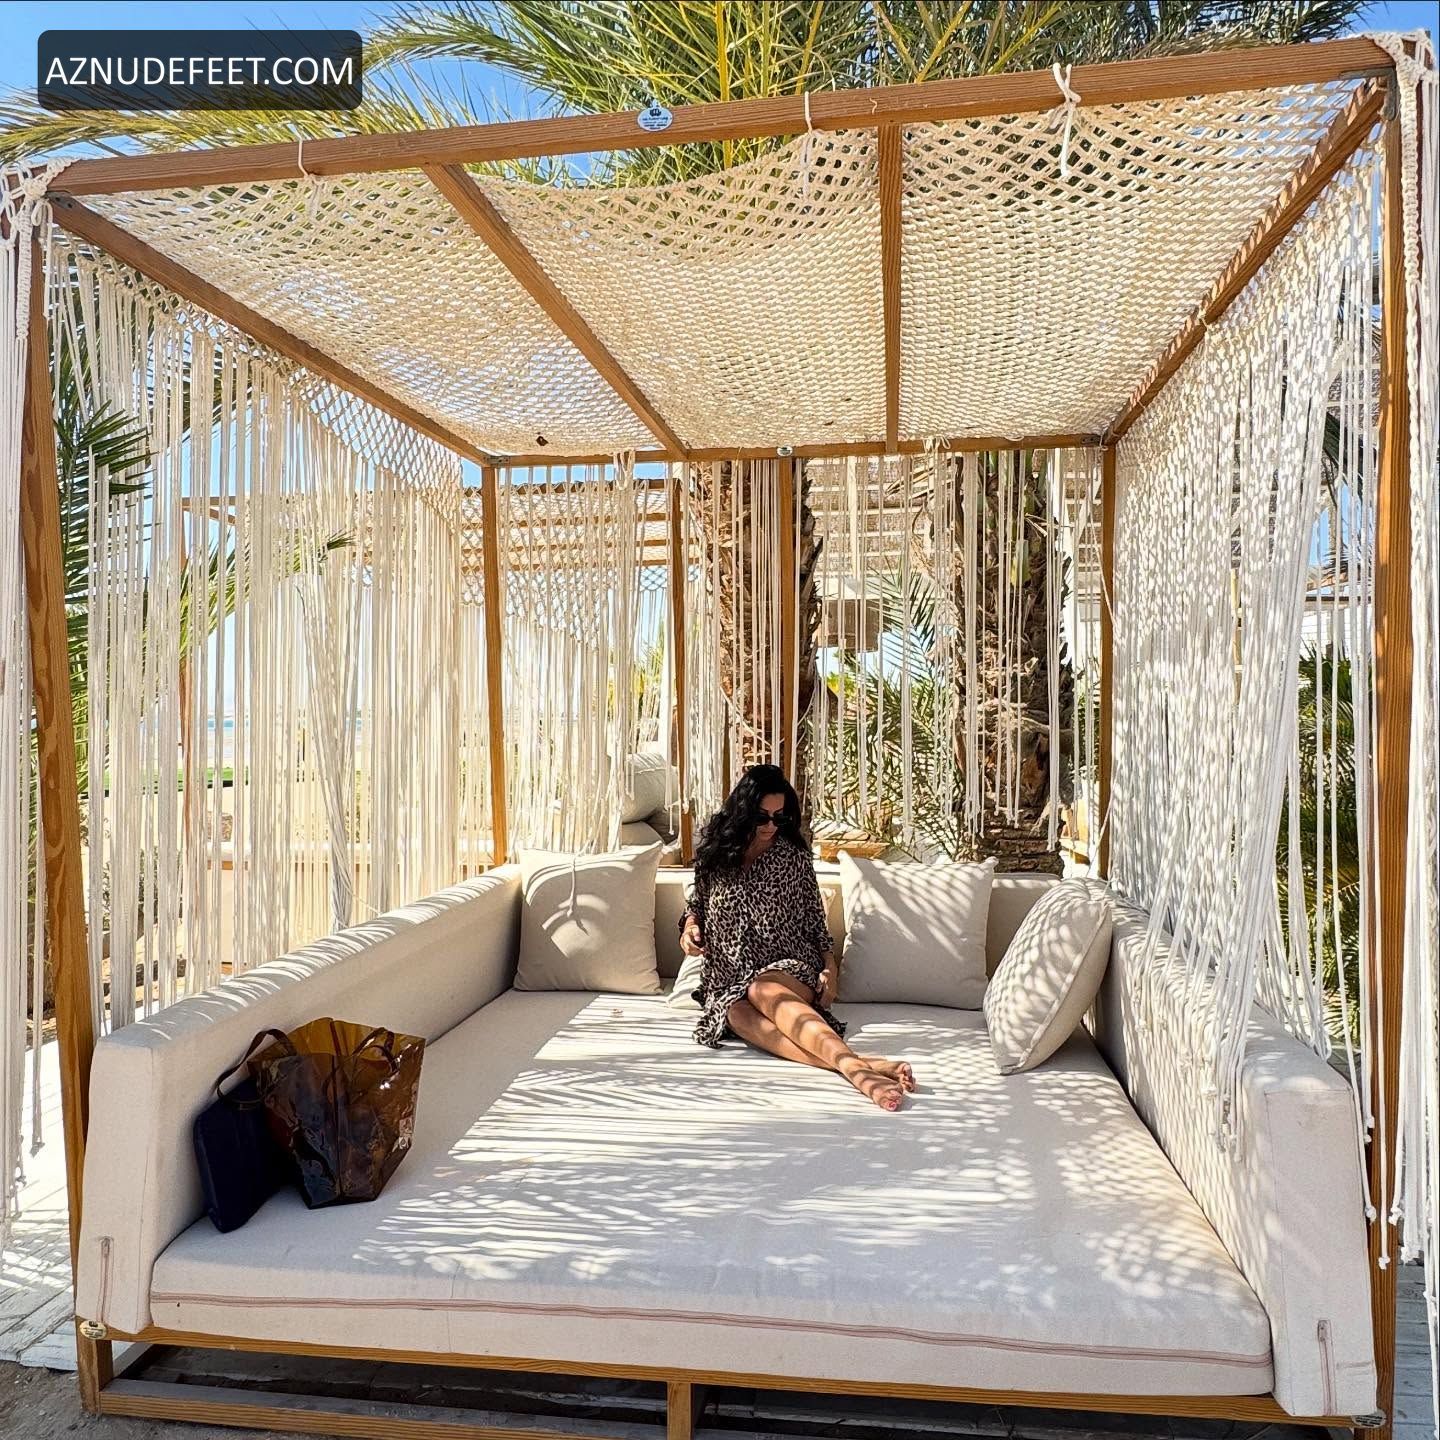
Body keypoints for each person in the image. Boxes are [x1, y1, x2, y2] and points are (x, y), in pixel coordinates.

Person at [680, 763, 916, 1111]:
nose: (771, 826)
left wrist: (830, 967)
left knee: (761, 989)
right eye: (762, 817)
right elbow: (696, 906)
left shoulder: (793, 856)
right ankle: (861, 1063)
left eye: (780, 817)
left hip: (787, 966)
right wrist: (690, 928)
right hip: (727, 978)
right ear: (743, 811)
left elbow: (815, 921)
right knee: (735, 1014)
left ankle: (858, 1075)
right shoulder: (714, 855)